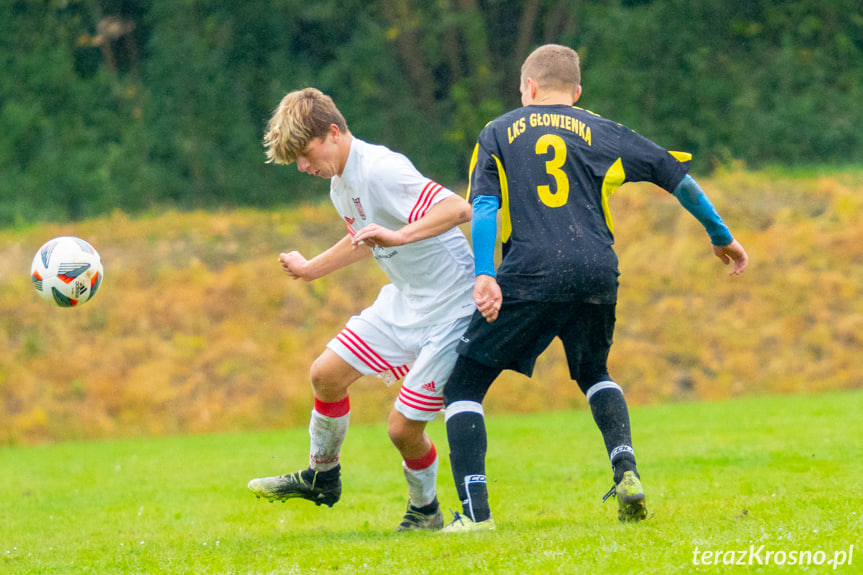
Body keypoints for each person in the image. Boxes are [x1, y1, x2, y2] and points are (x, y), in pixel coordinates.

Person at [441, 44, 749, 532]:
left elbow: (482, 206)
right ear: (577, 92)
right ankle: (626, 470)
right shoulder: (603, 129)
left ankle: (476, 516)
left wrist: (484, 273)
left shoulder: (497, 132)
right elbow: (677, 177)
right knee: (594, 372)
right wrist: (721, 235)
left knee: (463, 387)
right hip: (597, 272)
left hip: (530, 271)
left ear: (529, 88)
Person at [248, 88, 476, 532]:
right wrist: (312, 269)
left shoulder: (380, 169)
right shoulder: (341, 183)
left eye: (305, 153)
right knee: (325, 374)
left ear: (333, 133)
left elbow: (458, 208)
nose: (302, 166)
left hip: (451, 308)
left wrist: (400, 237)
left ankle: (424, 510)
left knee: (401, 430)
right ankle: (322, 476)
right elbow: (365, 238)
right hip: (406, 302)